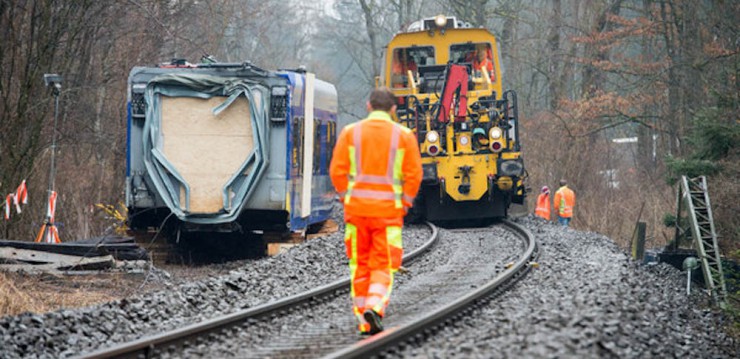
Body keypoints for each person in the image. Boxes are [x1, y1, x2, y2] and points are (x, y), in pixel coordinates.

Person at [329, 87, 423, 335]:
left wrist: (345, 198)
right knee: (383, 265)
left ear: (368, 106)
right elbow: (414, 175)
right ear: (393, 110)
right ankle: (374, 306)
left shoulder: (351, 133)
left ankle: (363, 320)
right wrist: (404, 204)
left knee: (359, 266)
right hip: (388, 215)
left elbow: (337, 172)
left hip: (356, 214)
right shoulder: (403, 136)